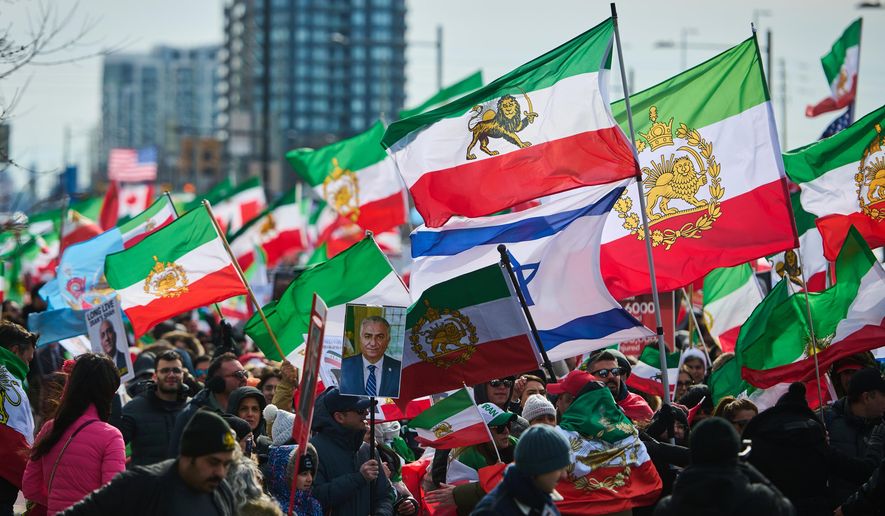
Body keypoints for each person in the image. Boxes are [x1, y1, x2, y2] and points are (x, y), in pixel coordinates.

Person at [61, 410, 238, 515]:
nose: (221, 472)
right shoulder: (142, 484)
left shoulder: (222, 491)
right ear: (188, 456)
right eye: (213, 462)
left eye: (226, 464)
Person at [22, 353, 126, 515]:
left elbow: (30, 488)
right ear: (108, 392)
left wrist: (59, 502)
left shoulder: (49, 428)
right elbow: (112, 497)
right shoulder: (111, 437)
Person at [653, 418, 795, 515]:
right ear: (734, 450)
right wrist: (749, 469)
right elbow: (787, 508)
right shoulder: (760, 500)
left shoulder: (668, 507)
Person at [309, 387, 393, 515]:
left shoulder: (368, 450)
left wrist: (381, 513)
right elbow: (314, 497)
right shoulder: (313, 450)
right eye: (360, 410)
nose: (366, 413)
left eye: (366, 409)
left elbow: (384, 496)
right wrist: (359, 478)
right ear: (339, 417)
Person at [427, 402, 519, 515]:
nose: (506, 431)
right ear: (482, 432)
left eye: (508, 425)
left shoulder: (517, 445)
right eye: (499, 428)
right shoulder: (466, 457)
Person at [471, 425, 571, 515]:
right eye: (558, 467)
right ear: (537, 467)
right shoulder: (492, 511)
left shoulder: (541, 495)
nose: (564, 475)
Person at [821, 367, 885, 503]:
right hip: (835, 507)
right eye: (884, 395)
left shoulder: (881, 425)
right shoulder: (825, 421)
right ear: (867, 397)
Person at [119, 350, 188, 466]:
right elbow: (114, 447)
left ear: (183, 374)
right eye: (165, 370)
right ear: (155, 376)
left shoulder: (192, 407)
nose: (171, 375)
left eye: (176, 370)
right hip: (145, 476)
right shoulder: (134, 408)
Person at [169, 352, 247, 456]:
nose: (244, 379)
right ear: (218, 382)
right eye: (238, 375)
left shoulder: (249, 407)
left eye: (245, 373)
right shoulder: (192, 415)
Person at [0, 321, 36, 516]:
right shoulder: (12, 386)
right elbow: (16, 444)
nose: (28, 367)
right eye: (28, 360)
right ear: (14, 351)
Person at [583, 350, 654, 423]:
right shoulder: (582, 405)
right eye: (603, 373)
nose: (611, 376)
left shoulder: (639, 406)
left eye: (615, 371)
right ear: (590, 377)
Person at [339, 316, 402, 397]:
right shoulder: (343, 366)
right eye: (367, 336)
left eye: (380, 337)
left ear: (388, 340)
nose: (373, 343)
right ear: (360, 339)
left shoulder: (399, 370)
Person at [266, 444, 322, 516]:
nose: (310, 479)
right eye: (304, 474)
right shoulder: (274, 511)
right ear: (286, 475)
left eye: (311, 473)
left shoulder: (313, 505)